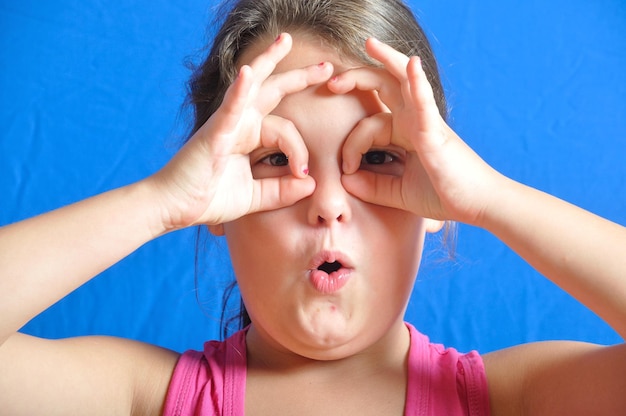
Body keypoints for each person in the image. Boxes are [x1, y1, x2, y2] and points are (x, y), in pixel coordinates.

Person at [1, 0, 625, 414]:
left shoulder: (508, 401)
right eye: (275, 158)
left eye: (380, 158)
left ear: (440, 190)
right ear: (215, 198)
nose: (328, 204)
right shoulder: (148, 398)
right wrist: (159, 200)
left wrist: (490, 197)